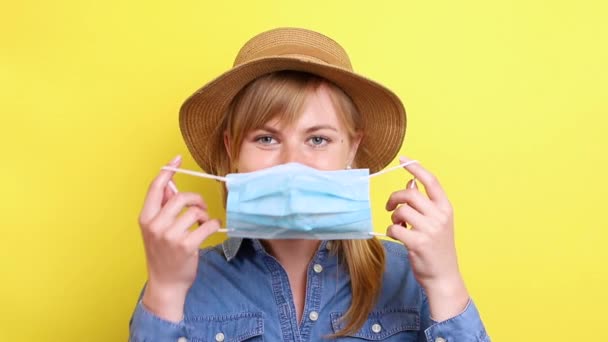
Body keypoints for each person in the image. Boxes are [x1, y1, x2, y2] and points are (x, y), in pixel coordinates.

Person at [129, 27, 490, 342]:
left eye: (317, 139)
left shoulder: (411, 275)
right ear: (231, 148)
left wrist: (445, 283)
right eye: (266, 139)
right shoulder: (184, 281)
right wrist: (165, 291)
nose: (292, 164)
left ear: (352, 148)